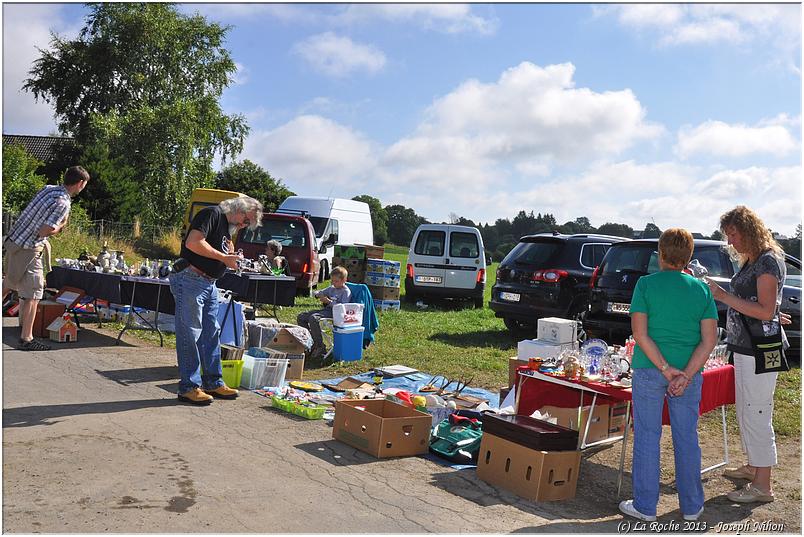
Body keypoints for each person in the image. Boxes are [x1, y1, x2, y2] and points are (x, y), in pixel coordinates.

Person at [619, 228, 718, 522]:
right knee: (686, 436)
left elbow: (640, 333)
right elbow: (709, 340)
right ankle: (692, 506)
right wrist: (686, 374)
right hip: (688, 372)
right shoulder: (701, 289)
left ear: (660, 254)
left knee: (648, 436)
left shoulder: (645, 285)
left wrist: (664, 367)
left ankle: (646, 506)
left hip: (651, 369)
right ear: (689, 257)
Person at [706, 206, 789, 504]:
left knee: (756, 412)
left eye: (733, 234)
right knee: (746, 408)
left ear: (748, 229)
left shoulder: (767, 260)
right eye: (727, 235)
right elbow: (767, 306)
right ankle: (755, 465)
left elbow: (765, 309)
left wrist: (723, 296)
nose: (731, 241)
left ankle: (763, 486)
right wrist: (773, 313)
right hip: (746, 346)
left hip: (760, 350)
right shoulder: (755, 259)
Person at [168, 195, 263, 405]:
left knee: (211, 333)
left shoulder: (226, 226)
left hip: (208, 283)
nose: (243, 225)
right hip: (191, 279)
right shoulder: (212, 213)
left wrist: (230, 255)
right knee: (190, 333)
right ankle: (189, 387)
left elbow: (219, 248)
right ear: (238, 208)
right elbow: (193, 242)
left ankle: (213, 382)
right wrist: (223, 258)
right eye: (245, 220)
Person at [2, 166, 90, 351]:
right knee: (34, 293)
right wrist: (62, 226)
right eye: (84, 185)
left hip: (13, 242)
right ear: (80, 183)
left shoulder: (48, 189)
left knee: (8, 285)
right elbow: (45, 231)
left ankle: (26, 336)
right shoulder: (63, 203)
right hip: (29, 247)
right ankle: (26, 338)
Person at [297, 266, 351, 358]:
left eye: (336, 281)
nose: (333, 283)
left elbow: (342, 308)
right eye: (332, 281)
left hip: (336, 314)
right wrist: (318, 294)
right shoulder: (332, 288)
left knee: (313, 318)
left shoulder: (345, 292)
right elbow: (320, 291)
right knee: (301, 316)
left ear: (344, 280)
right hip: (326, 310)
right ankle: (310, 341)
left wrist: (329, 302)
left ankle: (319, 345)